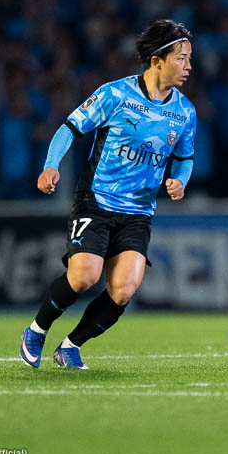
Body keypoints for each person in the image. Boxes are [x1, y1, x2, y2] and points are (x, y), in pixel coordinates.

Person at [19, 19, 196, 370]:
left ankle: (70, 346)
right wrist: (50, 165)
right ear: (157, 61)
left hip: (139, 212)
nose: (188, 66)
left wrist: (180, 180)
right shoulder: (115, 95)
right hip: (97, 200)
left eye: (189, 58)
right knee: (84, 276)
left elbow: (184, 158)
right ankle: (37, 330)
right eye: (181, 58)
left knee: (123, 290)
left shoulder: (185, 112)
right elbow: (69, 128)